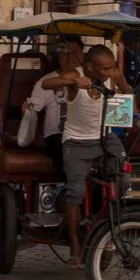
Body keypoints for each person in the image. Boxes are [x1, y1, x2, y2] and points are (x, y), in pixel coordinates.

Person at [38, 45, 130, 268]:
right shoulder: (76, 74)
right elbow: (46, 84)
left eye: (111, 67)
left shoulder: (113, 73)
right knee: (75, 192)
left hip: (104, 137)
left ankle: (106, 233)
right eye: (105, 68)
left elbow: (126, 90)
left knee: (122, 179)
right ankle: (75, 249)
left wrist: (121, 94)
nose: (109, 72)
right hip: (76, 142)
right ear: (90, 67)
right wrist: (72, 83)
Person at [22, 37, 84, 174]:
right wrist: (26, 110)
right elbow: (32, 111)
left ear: (82, 55)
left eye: (74, 53)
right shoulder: (45, 82)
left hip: (86, 134)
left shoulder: (91, 77)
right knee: (65, 149)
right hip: (57, 136)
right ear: (59, 56)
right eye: (64, 53)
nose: (69, 57)